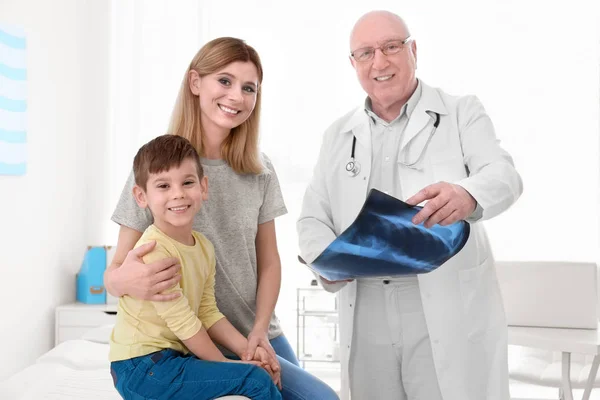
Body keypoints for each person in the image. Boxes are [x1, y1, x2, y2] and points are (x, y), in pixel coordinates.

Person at [297, 10, 523, 400]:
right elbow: (312, 218)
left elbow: (504, 175)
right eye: (365, 53)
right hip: (366, 305)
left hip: (439, 300)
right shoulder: (337, 135)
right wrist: (326, 263)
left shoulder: (460, 112)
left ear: (413, 50)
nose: (379, 62)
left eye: (390, 47)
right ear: (353, 64)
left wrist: (467, 195)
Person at [104, 37, 339, 400]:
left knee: (320, 398)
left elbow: (270, 261)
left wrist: (259, 332)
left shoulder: (260, 170)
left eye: (249, 88)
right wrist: (123, 279)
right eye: (225, 81)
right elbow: (116, 276)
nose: (237, 96)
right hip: (188, 339)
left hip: (250, 331)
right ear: (196, 83)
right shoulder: (159, 168)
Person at [109, 134, 281, 400]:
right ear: (141, 196)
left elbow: (207, 312)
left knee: (257, 374)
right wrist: (229, 366)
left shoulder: (203, 247)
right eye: (163, 186)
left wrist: (248, 350)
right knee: (255, 380)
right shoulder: (154, 250)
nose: (178, 194)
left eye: (187, 182)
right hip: (141, 366)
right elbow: (184, 322)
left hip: (172, 360)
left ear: (203, 187)